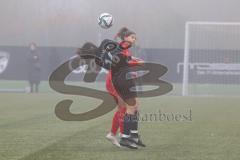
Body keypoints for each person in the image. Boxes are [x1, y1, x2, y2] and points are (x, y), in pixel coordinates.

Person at [100, 27, 145, 149]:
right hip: (115, 81)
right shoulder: (119, 48)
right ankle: (125, 136)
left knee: (133, 106)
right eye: (132, 37)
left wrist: (133, 68)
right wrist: (136, 63)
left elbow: (126, 62)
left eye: (135, 38)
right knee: (125, 108)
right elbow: (121, 63)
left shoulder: (126, 49)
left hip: (122, 79)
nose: (134, 40)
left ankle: (130, 136)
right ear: (125, 38)